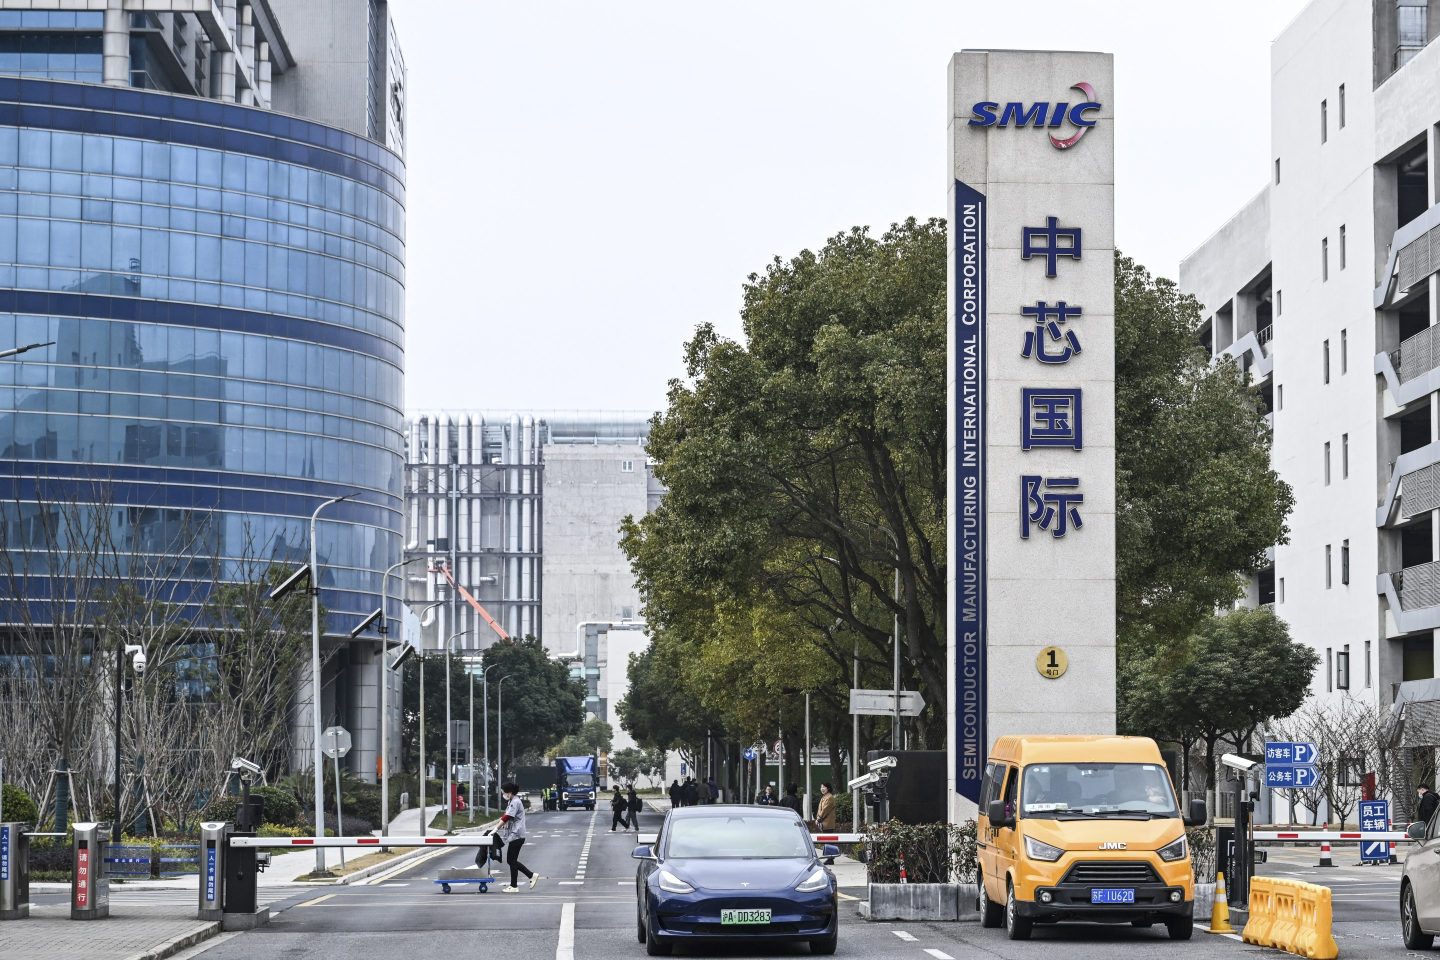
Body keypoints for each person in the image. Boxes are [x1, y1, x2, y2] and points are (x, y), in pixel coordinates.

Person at [498, 782, 538, 892]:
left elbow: (507, 817)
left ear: (509, 793)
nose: (503, 794)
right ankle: (519, 882)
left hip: (517, 834)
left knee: (511, 860)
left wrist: (495, 828)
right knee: (512, 860)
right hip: (515, 835)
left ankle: (520, 882)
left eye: (504, 792)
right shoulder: (512, 801)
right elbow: (506, 816)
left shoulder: (515, 802)